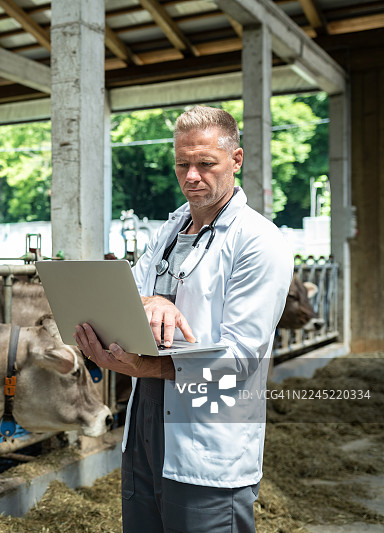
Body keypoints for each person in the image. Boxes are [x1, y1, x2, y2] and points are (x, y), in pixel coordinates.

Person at [74, 105, 293, 533]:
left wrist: (143, 366)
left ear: (236, 160)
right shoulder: (171, 229)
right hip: (145, 429)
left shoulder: (259, 241)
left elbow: (241, 358)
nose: (191, 176)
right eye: (182, 163)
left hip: (210, 436)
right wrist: (151, 300)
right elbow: (128, 296)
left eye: (205, 163)